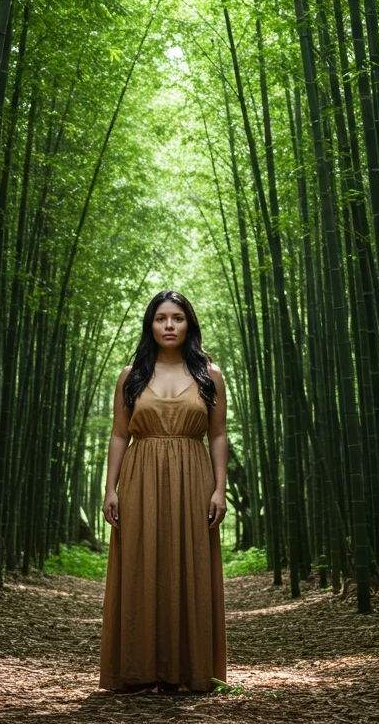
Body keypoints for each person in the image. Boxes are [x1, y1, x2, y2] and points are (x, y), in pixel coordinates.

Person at [98, 290, 228, 693]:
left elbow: (218, 434)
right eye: (160, 318)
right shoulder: (131, 373)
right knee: (142, 566)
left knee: (189, 567)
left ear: (189, 323)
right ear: (149, 325)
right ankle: (141, 672)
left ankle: (187, 671)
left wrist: (220, 489)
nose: (169, 325)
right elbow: (120, 435)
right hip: (140, 477)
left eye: (177, 318)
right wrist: (110, 489)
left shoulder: (211, 374)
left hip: (193, 476)